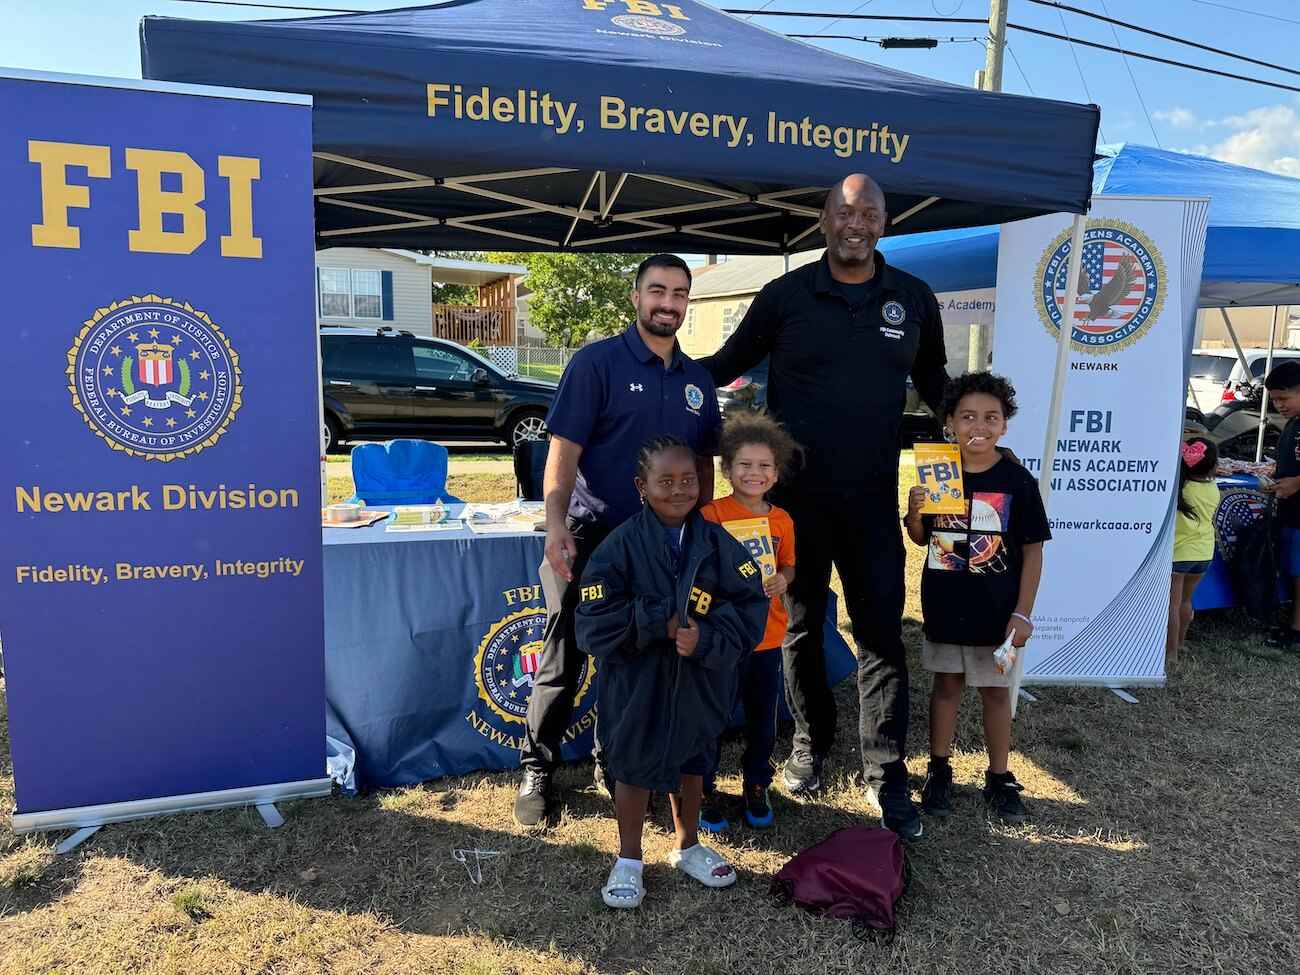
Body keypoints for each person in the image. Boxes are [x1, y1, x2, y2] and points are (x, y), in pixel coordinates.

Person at [702, 173, 948, 841]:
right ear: (823, 219)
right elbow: (723, 362)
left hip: (871, 497)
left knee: (879, 634)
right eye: (844, 212)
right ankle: (810, 745)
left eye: (868, 212)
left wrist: (971, 413)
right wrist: (657, 373)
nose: (856, 223)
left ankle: (886, 772)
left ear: (884, 222)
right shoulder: (785, 295)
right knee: (802, 627)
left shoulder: (913, 299)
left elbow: (933, 381)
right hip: (793, 504)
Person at [513, 254, 723, 828]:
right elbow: (564, 451)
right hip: (593, 536)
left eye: (680, 294)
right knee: (568, 651)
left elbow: (703, 465)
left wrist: (698, 531)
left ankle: (620, 766)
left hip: (664, 543)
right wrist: (556, 524)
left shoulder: (697, 381)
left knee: (640, 657)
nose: (669, 304)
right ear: (636, 297)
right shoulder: (596, 363)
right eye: (658, 291)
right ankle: (538, 765)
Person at [576, 436, 769, 909]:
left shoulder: (718, 544)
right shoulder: (617, 547)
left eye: (688, 480)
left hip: (700, 678)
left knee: (694, 757)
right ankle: (629, 858)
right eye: (666, 481)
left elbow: (748, 607)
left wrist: (705, 639)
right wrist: (655, 621)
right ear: (642, 486)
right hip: (637, 682)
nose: (679, 490)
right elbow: (593, 621)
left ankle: (688, 846)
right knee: (633, 762)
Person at [903, 372, 1050, 825]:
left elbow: (1032, 549)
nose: (978, 426)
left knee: (995, 690)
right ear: (949, 422)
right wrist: (914, 509)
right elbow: (919, 537)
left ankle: (1000, 776)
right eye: (967, 416)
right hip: (946, 604)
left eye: (991, 417)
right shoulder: (936, 470)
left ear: (1005, 424)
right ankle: (940, 769)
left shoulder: (1017, 481)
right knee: (946, 686)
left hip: (997, 612)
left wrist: (1022, 613)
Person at [697, 414, 800, 832]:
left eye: (764, 466)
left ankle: (756, 784)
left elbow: (789, 565)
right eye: (744, 464)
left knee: (762, 720)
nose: (754, 473)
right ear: (726, 470)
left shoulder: (782, 520)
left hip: (768, 636)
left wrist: (782, 579)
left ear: (776, 474)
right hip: (723, 638)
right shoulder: (711, 515)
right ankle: (703, 788)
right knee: (713, 718)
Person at [1168, 436, 1219, 665]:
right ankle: (1180, 643)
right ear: (1214, 466)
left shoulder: (1180, 488)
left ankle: (1170, 654)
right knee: (1186, 602)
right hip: (1204, 553)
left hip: (1179, 554)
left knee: (1172, 605)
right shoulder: (1213, 487)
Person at [1264, 360, 1300, 650]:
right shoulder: (1293, 423)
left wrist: (1296, 483)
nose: (1278, 404)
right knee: (1293, 569)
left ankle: (1297, 629)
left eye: (1284, 398)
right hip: (1292, 512)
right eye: (1274, 399)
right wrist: (1275, 476)